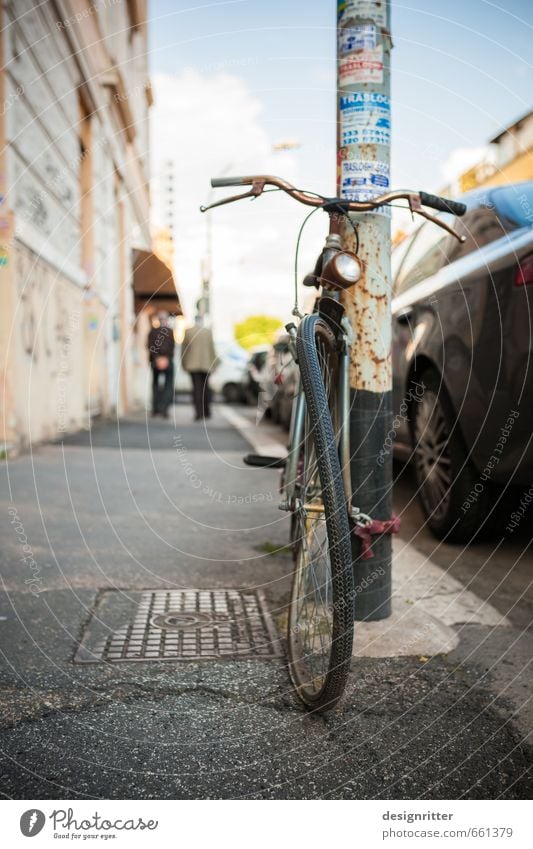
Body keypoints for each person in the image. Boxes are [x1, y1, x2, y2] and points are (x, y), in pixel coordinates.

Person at [181, 316, 217, 420]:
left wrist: (183, 363)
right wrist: (213, 364)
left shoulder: (188, 331)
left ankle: (198, 413)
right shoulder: (208, 332)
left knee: (196, 389)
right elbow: (212, 349)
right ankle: (207, 412)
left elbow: (184, 350)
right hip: (206, 364)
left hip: (192, 364)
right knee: (205, 388)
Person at [147, 312, 175, 418]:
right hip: (165, 361)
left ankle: (156, 409)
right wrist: (165, 359)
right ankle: (164, 409)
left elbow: (150, 347)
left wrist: (157, 359)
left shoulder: (152, 331)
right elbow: (172, 347)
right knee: (167, 385)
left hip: (156, 361)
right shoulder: (170, 331)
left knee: (155, 385)